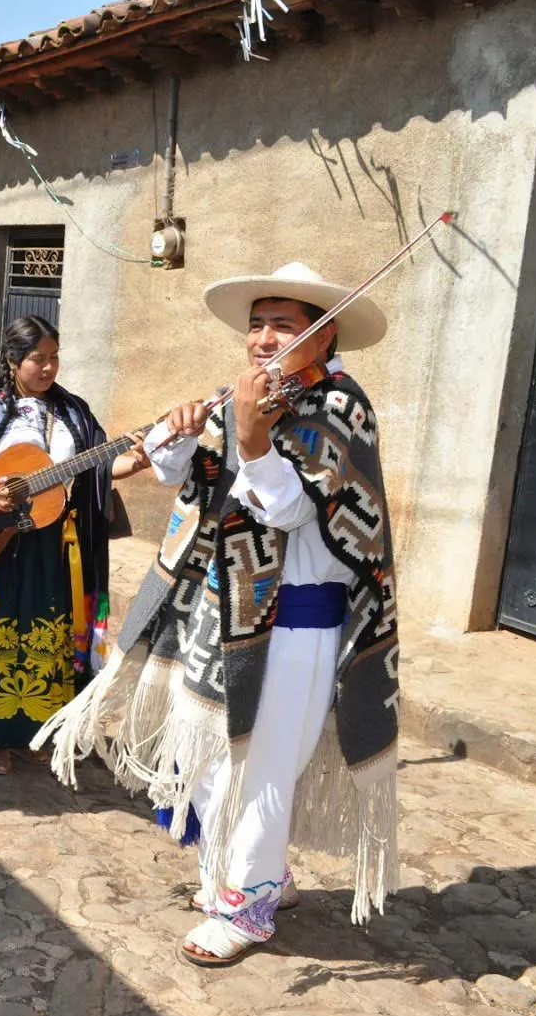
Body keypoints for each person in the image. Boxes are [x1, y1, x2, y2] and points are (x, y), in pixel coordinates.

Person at [38, 263, 401, 966]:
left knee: (261, 765)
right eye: (256, 324)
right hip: (223, 615)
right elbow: (189, 479)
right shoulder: (247, 398)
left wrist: (254, 439)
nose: (264, 338)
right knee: (212, 759)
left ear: (324, 340)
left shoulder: (340, 407)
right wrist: (179, 434)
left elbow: (294, 509)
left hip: (297, 620)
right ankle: (262, 877)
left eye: (284, 325)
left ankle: (249, 907)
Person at [0, 315, 149, 775]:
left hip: (53, 546)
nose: (48, 368)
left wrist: (135, 462)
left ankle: (39, 731)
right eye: (38, 359)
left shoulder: (75, 412)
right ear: (13, 360)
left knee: (49, 635)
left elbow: (94, 469)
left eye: (54, 358)